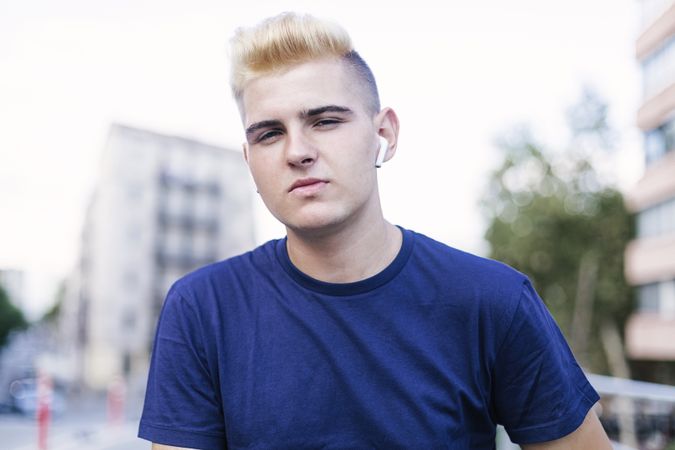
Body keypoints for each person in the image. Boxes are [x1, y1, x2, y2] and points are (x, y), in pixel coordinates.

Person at [138, 12, 612, 450]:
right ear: (249, 160)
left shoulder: (492, 300)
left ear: (384, 132)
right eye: (269, 133)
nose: (297, 151)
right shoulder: (203, 309)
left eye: (324, 121)